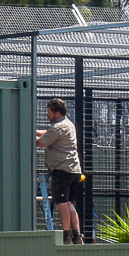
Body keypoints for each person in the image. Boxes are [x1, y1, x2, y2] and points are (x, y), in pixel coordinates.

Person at [37, 98, 85, 243]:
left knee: (62, 203)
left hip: (62, 170)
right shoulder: (67, 124)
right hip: (74, 171)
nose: (47, 114)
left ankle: (66, 235)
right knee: (70, 203)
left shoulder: (57, 127)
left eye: (49, 112)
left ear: (57, 113)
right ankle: (77, 234)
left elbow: (41, 142)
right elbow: (48, 133)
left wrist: (27, 134)